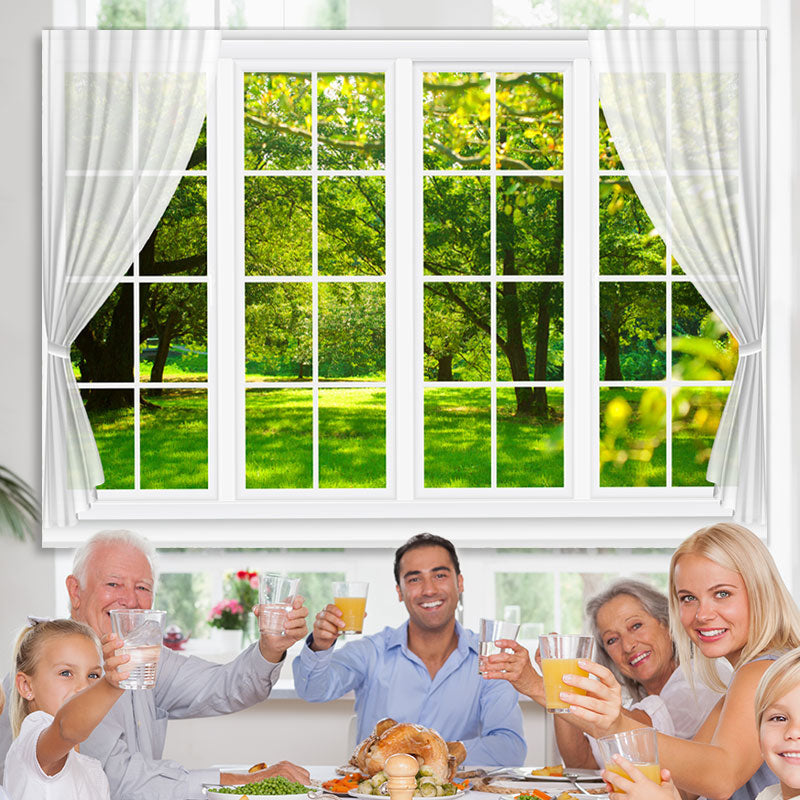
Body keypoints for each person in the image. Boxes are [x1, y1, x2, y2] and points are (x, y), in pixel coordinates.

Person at [0, 529, 311, 800]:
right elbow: (122, 783)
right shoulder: (48, 672)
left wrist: (270, 649)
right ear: (75, 592)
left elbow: (225, 686)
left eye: (143, 588)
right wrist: (243, 782)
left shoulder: (143, 657)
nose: (130, 601)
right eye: (113, 583)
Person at [554, 523, 800, 800]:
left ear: (760, 591)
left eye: (722, 593)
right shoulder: (753, 671)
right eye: (688, 598)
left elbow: (720, 777)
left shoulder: (765, 670)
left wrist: (616, 726)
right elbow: (687, 790)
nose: (702, 614)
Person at [292, 532, 526, 766]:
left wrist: (433, 754)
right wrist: (320, 645)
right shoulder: (371, 653)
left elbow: (510, 748)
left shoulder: (490, 661)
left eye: (440, 575)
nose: (429, 590)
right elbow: (312, 690)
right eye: (414, 579)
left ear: (460, 583)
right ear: (399, 592)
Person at [483, 579, 725, 767]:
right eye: (612, 640)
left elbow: (646, 735)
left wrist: (540, 686)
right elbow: (582, 764)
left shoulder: (701, 679)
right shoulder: (636, 702)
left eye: (636, 626)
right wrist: (556, 680)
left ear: (668, 624)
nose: (628, 645)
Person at [3, 618, 129, 799]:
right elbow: (66, 728)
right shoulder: (31, 745)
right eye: (66, 673)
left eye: (93, 675)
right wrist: (112, 685)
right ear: (26, 686)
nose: (84, 687)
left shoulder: (92, 771)